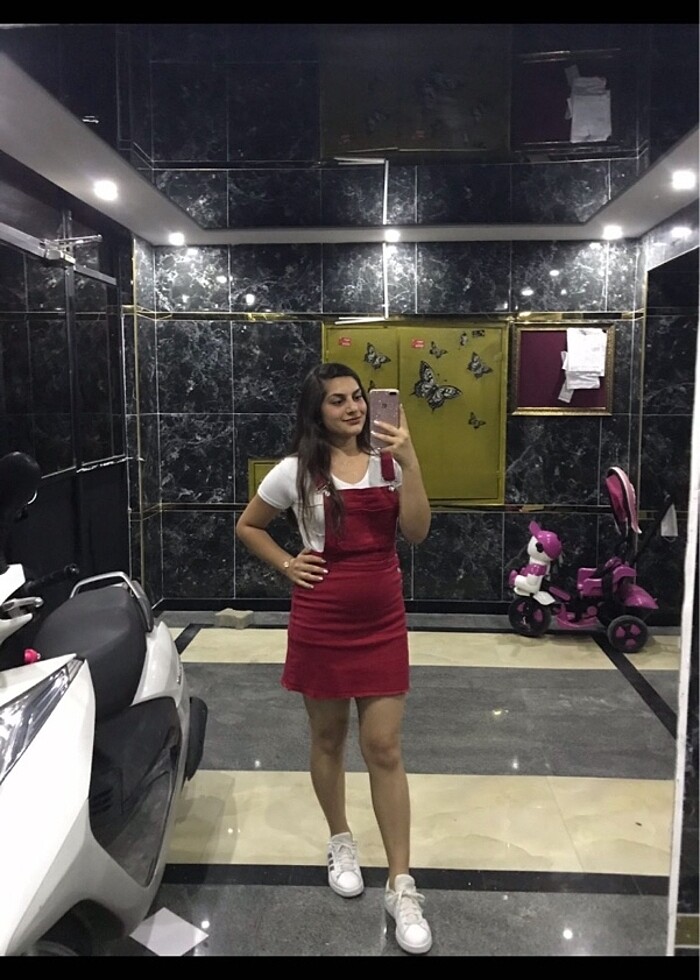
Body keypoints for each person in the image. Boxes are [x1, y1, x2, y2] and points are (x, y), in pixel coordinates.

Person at [235, 362, 433, 955]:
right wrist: (287, 563)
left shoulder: (389, 461)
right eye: (338, 401)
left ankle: (401, 884)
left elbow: (417, 533)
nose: (353, 408)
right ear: (316, 412)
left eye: (358, 398)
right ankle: (340, 840)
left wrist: (412, 462)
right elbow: (249, 525)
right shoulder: (296, 470)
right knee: (327, 739)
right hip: (321, 620)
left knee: (384, 746)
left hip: (383, 620)